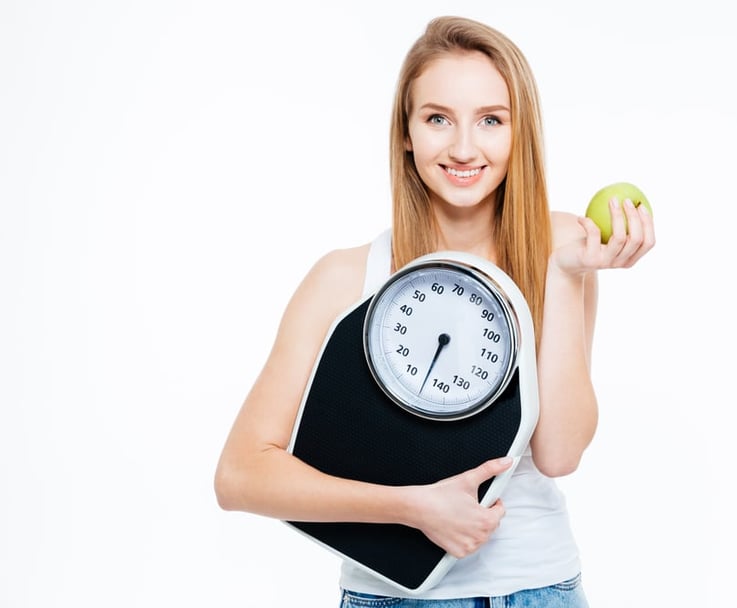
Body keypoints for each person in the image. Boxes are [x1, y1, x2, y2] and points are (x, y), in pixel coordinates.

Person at [214, 15, 655, 607]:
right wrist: (408, 507)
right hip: (389, 596)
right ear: (407, 132)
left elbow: (559, 452)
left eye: (491, 121)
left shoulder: (560, 248)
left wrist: (563, 274)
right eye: (438, 118)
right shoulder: (344, 278)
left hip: (537, 587)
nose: (464, 148)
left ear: (519, 133)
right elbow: (240, 476)